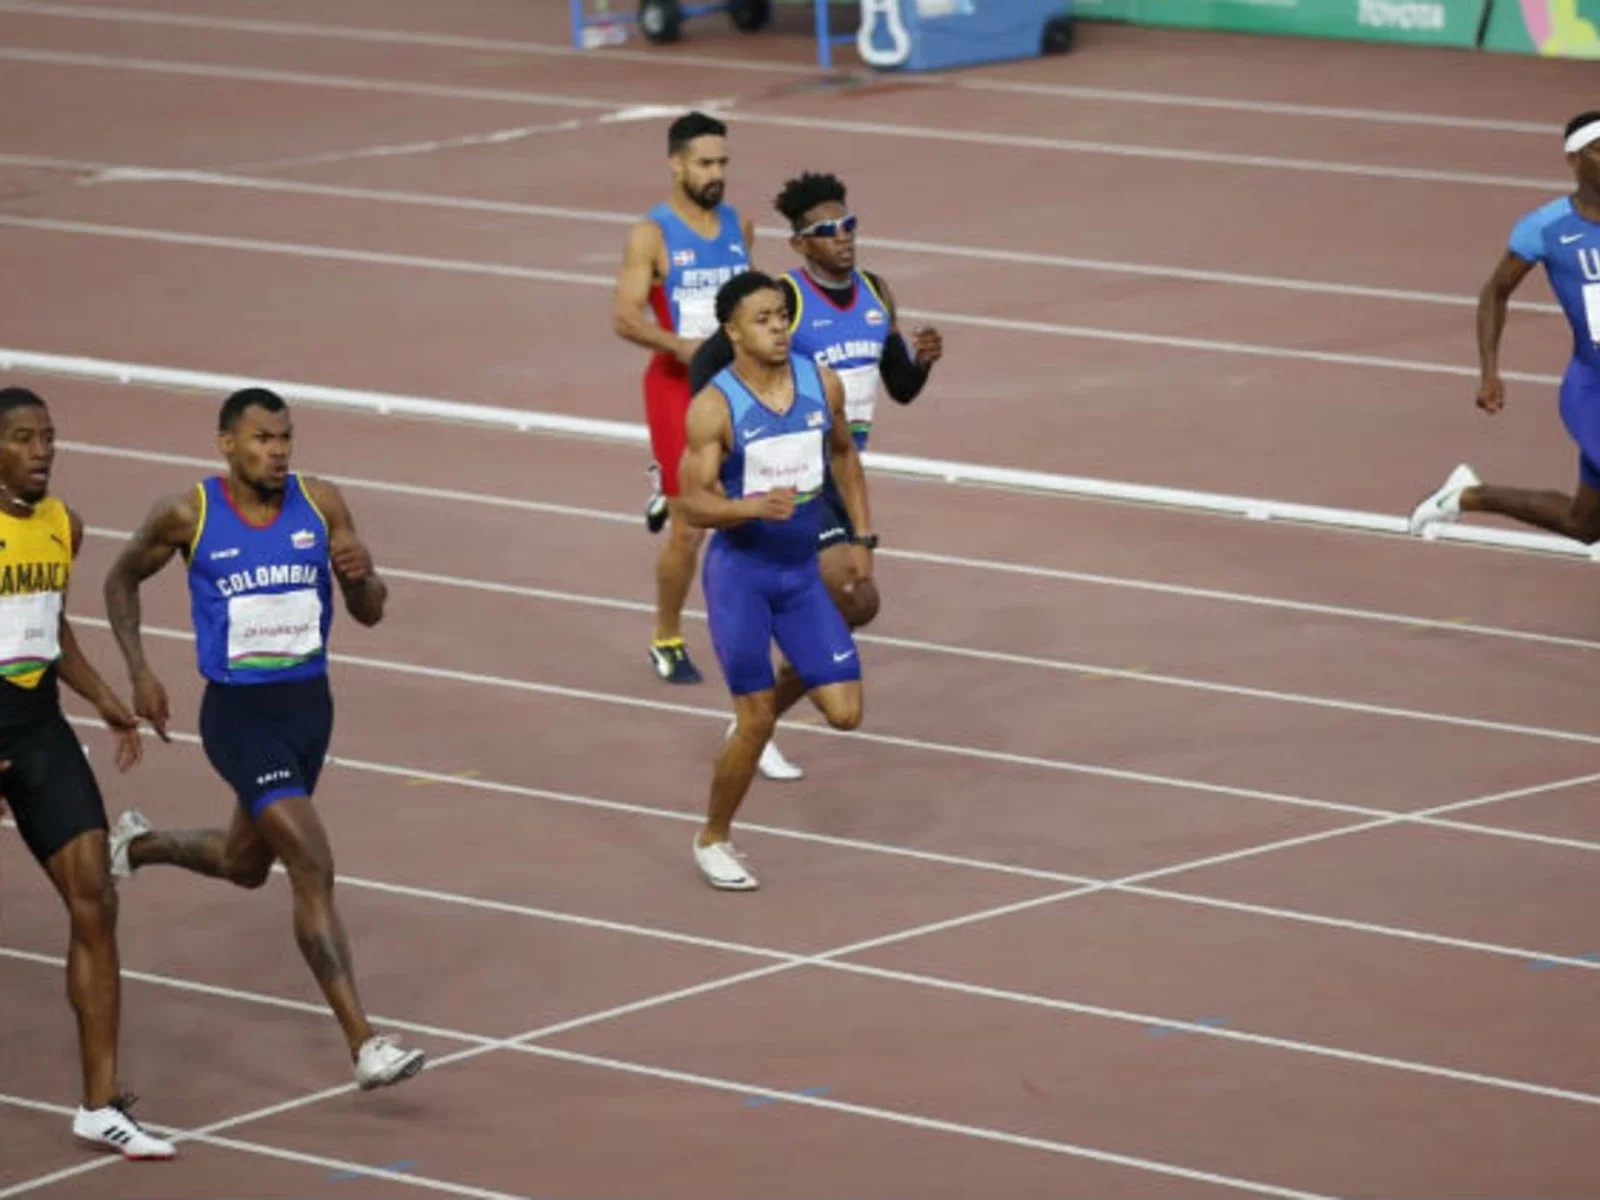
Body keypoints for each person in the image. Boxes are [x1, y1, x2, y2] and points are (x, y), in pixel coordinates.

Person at [100, 387, 425, 1091]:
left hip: (310, 711)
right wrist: (139, 669)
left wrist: (364, 577)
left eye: (285, 438)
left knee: (247, 864)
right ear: (227, 444)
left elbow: (369, 613)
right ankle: (364, 1043)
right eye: (262, 439)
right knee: (311, 861)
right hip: (237, 717)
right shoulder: (188, 512)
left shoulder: (322, 502)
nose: (277, 451)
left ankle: (136, 844)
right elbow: (119, 579)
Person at [689, 170, 943, 779]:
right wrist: (725, 443)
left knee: (856, 606)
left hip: (839, 461)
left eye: (848, 225)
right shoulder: (783, 302)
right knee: (855, 595)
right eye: (826, 230)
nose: (843, 237)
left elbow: (898, 387)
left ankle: (758, 715)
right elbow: (708, 362)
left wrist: (924, 365)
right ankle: (757, 709)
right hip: (794, 473)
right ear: (801, 243)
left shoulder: (877, 294)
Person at [0, 387, 174, 1159]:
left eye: (49, 438)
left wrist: (107, 699)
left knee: (94, 900)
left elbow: (50, 624)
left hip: (35, 728)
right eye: (23, 438)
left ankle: (100, 1104)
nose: (42, 451)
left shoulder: (62, 524)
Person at [678, 272, 875, 891]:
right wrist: (748, 509)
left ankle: (750, 720)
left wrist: (863, 538)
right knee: (758, 719)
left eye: (780, 316)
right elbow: (692, 503)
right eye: (761, 319)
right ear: (733, 332)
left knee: (845, 713)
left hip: (799, 575)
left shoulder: (822, 382)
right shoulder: (715, 406)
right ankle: (713, 837)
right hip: (742, 576)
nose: (776, 327)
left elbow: (844, 455)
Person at [612, 110, 754, 686]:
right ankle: (666, 638)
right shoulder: (651, 234)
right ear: (675, 164)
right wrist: (682, 346)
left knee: (748, 508)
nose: (716, 172)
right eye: (704, 163)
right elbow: (623, 317)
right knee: (690, 527)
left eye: (722, 162)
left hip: (733, 385)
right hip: (676, 388)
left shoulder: (739, 225)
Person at [1411, 111, 1600, 543]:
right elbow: (1494, 293)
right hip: (1593, 390)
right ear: (1574, 160)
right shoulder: (1546, 228)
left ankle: (1466, 496)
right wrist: (1490, 370)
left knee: (1583, 525)